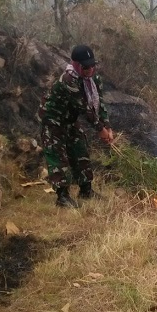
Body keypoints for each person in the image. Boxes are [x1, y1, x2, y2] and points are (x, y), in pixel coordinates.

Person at [39, 44, 114, 207]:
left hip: (70, 119)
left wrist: (107, 126)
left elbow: (99, 104)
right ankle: (62, 196)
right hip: (53, 119)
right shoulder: (69, 80)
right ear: (75, 64)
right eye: (85, 66)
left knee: (80, 150)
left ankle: (86, 190)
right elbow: (84, 108)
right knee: (57, 155)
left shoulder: (94, 80)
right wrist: (100, 129)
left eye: (92, 65)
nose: (90, 70)